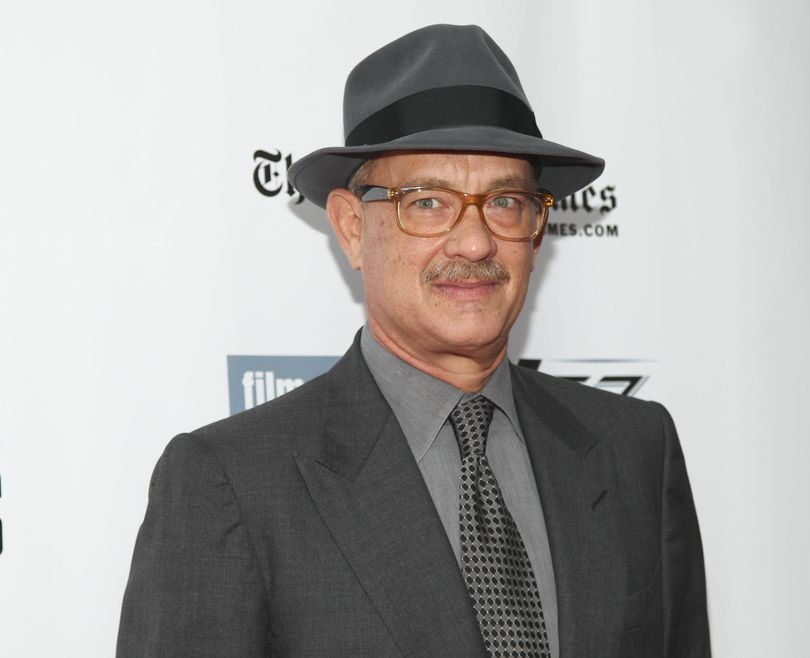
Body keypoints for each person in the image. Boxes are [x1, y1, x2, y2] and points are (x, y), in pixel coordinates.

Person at [117, 24, 710, 658]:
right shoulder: (231, 483)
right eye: (427, 203)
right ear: (350, 228)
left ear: (537, 228)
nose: (476, 241)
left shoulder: (635, 451)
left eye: (505, 201)